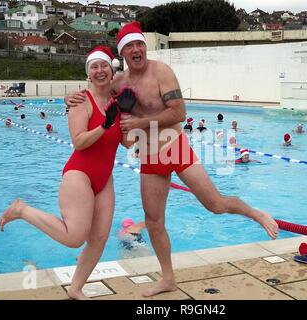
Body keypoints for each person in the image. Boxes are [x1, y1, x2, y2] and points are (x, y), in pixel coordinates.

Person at [65, 21, 278, 298]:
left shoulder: (161, 72)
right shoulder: (119, 83)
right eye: (129, 46)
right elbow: (96, 95)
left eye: (139, 43)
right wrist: (68, 98)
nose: (136, 49)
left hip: (176, 148)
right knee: (153, 222)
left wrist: (141, 121)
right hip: (150, 157)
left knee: (215, 204)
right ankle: (168, 278)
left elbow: (178, 113)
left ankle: (256, 214)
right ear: (123, 54)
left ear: (145, 46)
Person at [0, 45, 135, 300]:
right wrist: (105, 124)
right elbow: (79, 141)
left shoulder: (117, 102)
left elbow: (126, 143)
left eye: (103, 65)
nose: (99, 70)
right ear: (88, 73)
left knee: (99, 239)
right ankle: (22, 209)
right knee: (74, 238)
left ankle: (75, 288)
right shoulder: (81, 101)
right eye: (94, 66)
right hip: (79, 174)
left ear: (111, 68)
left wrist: (130, 121)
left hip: (104, 179)